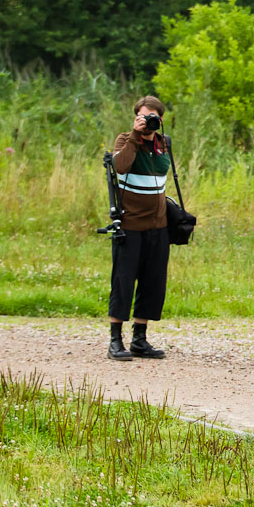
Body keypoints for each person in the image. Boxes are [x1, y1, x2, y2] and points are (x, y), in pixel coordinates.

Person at [106, 95, 171, 361]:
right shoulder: (125, 139)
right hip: (130, 224)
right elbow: (120, 165)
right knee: (123, 281)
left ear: (161, 119)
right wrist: (135, 135)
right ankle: (115, 340)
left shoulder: (163, 144)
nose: (149, 121)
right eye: (143, 116)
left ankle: (140, 339)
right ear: (136, 117)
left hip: (158, 225)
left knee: (152, 281)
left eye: (153, 116)